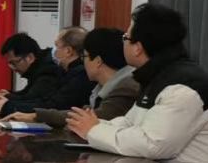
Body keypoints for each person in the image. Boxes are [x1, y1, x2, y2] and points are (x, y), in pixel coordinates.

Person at [65, 3, 208, 163]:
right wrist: (92, 125)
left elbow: (153, 144)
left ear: (138, 48)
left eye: (125, 38)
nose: (123, 43)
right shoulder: (159, 76)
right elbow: (130, 123)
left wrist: (94, 130)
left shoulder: (184, 87)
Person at [8, 27, 138, 128]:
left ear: (98, 61)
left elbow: (93, 118)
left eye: (84, 56)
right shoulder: (101, 87)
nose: (83, 61)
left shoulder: (125, 87)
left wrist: (37, 116)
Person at [0, 26, 93, 117]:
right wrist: (9, 98)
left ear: (68, 51)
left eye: (57, 46)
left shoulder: (79, 75)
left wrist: (8, 106)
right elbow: (44, 99)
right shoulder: (67, 71)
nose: (53, 51)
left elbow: (53, 105)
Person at [0, 32, 63, 116]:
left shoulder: (48, 72)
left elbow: (36, 102)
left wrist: (6, 106)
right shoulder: (38, 67)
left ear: (30, 58)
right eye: (9, 64)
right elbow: (27, 93)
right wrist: (9, 95)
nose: (12, 68)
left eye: (14, 63)